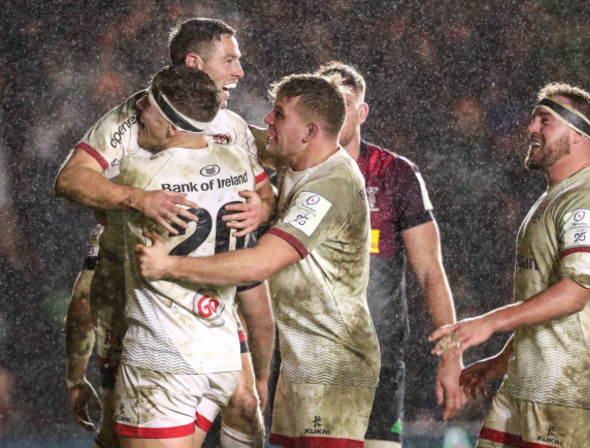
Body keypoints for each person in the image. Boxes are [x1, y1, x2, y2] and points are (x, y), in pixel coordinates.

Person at [58, 18, 274, 448]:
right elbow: (70, 180)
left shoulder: (229, 126)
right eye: (230, 60)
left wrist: (260, 209)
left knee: (245, 404)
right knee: (118, 429)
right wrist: (138, 199)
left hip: (209, 291)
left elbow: (266, 189)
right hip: (134, 283)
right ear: (195, 63)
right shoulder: (132, 117)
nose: (239, 72)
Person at [135, 73, 381, 448]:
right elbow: (238, 134)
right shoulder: (298, 159)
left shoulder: (330, 188)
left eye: (279, 115)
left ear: (310, 132)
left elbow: (258, 265)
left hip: (332, 365)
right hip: (301, 362)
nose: (267, 120)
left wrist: (168, 266)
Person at [430, 83, 590, 448]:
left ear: (578, 134)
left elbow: (573, 294)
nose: (531, 128)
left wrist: (488, 323)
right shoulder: (556, 196)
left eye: (545, 120)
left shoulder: (589, 200)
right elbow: (544, 303)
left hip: (567, 383)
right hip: (529, 379)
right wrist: (500, 362)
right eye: (534, 118)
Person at [313, 62, 465, 446]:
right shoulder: (292, 171)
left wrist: (451, 356)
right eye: (325, 103)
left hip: (377, 358)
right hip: (307, 356)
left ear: (362, 112)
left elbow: (431, 271)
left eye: (344, 104)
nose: (334, 112)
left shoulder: (395, 174)